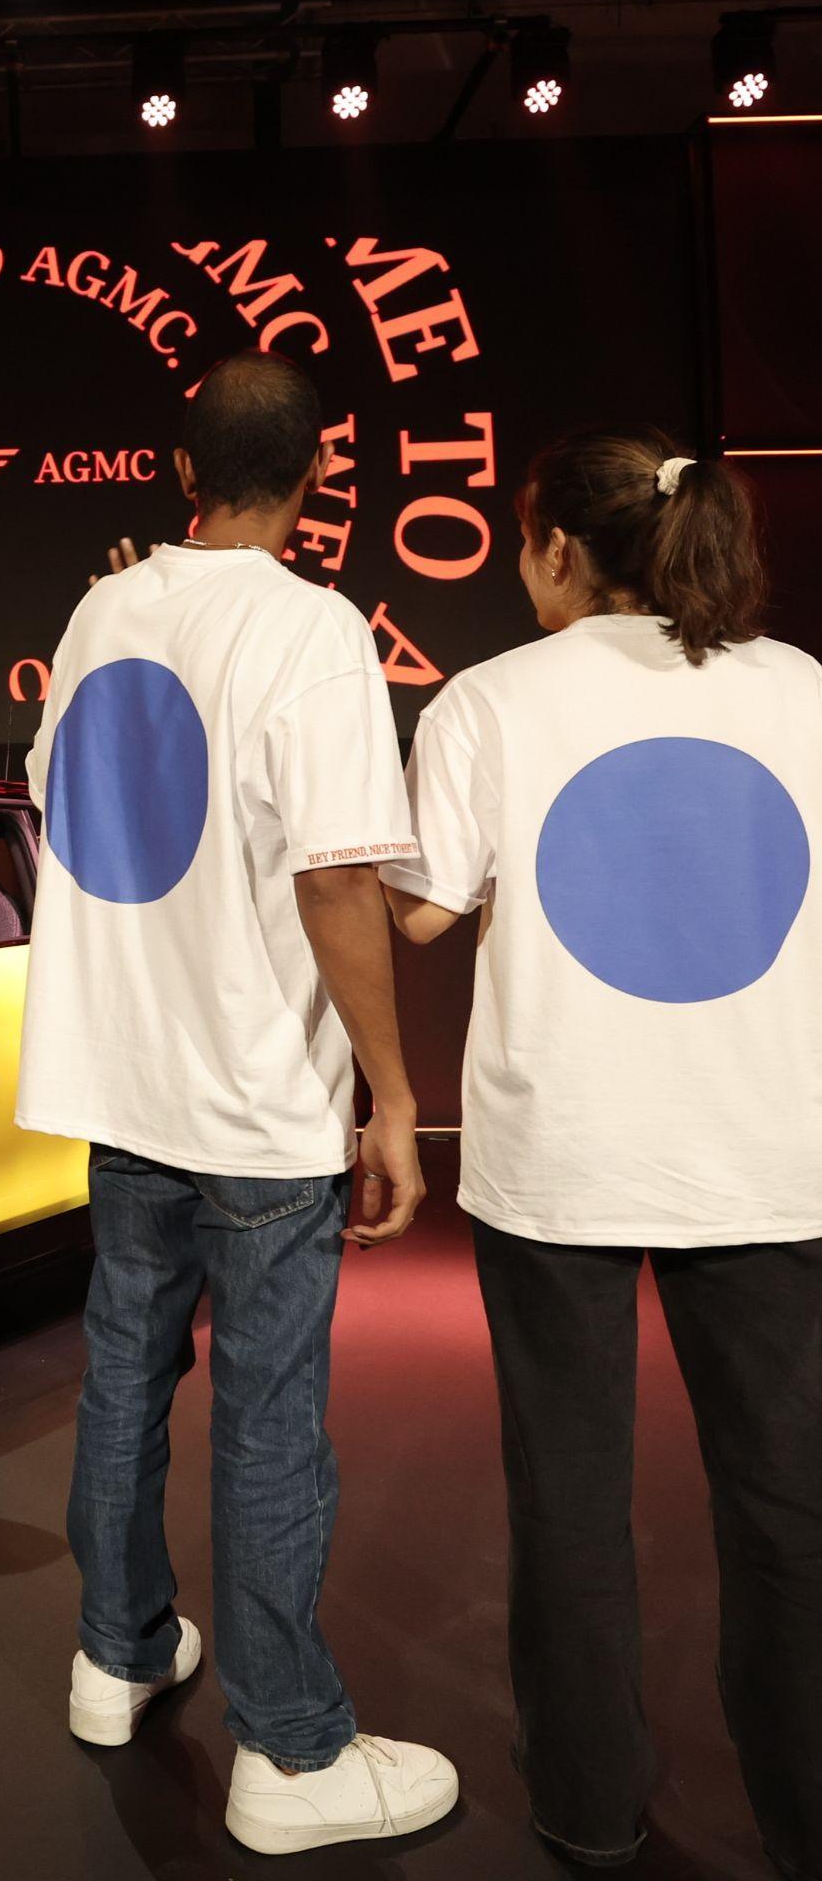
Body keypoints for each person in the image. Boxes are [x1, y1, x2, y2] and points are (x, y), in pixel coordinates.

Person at [18, 348, 459, 1855]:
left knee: (124, 1377)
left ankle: (117, 1654)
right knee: (270, 1417)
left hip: (126, 1076)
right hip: (257, 1090)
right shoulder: (312, 629)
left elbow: (56, 798)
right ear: (319, 475)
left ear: (179, 470)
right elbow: (338, 878)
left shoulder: (100, 611)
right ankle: (290, 1750)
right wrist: (391, 1092)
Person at [382, 429, 822, 1879]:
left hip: (562, 1152)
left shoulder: (489, 702)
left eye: (523, 542)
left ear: (560, 550)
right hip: (770, 1148)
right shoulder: (805, 691)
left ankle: (588, 1807)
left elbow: (420, 910)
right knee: (790, 1505)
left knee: (568, 1502)